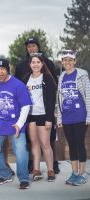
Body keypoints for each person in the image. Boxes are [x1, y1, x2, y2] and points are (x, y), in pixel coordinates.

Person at [15, 36, 60, 174]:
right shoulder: (22, 67)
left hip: (45, 112)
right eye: (29, 46)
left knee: (48, 140)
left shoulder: (49, 64)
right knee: (32, 141)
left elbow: (52, 89)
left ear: (38, 47)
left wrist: (51, 113)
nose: (31, 48)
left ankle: (53, 165)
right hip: (29, 113)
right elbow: (18, 89)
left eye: (34, 45)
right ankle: (34, 166)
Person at [0, 59, 31, 189]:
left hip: (15, 123)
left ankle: (23, 178)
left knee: (21, 150)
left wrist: (19, 124)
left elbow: (26, 106)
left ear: (7, 69)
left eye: (2, 69)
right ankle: (5, 174)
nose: (0, 72)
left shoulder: (18, 85)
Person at [56, 50, 90, 186]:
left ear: (75, 62)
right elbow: (59, 99)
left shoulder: (82, 76)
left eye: (70, 60)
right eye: (65, 60)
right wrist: (59, 118)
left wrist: (89, 115)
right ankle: (74, 173)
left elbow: (88, 96)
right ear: (62, 62)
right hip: (67, 117)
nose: (68, 62)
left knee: (80, 144)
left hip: (80, 116)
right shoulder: (62, 77)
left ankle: (82, 174)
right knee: (71, 145)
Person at [22, 54, 56, 182]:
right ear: (30, 64)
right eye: (33, 62)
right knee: (34, 143)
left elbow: (51, 100)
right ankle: (36, 170)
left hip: (43, 115)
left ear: (42, 64)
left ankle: (50, 170)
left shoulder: (47, 78)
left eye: (38, 62)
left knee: (45, 144)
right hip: (30, 116)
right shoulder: (26, 79)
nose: (35, 64)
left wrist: (49, 119)